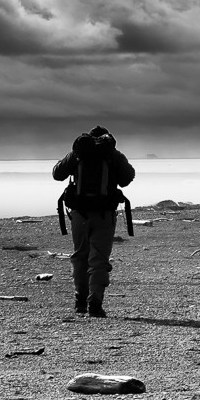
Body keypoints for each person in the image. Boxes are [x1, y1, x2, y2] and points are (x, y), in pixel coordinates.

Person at [51, 125, 135, 318]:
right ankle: (95, 304)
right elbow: (127, 178)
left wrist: (74, 156)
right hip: (104, 214)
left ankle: (80, 301)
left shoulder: (79, 153)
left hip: (80, 214)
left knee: (80, 255)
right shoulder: (112, 154)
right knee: (99, 259)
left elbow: (57, 174)